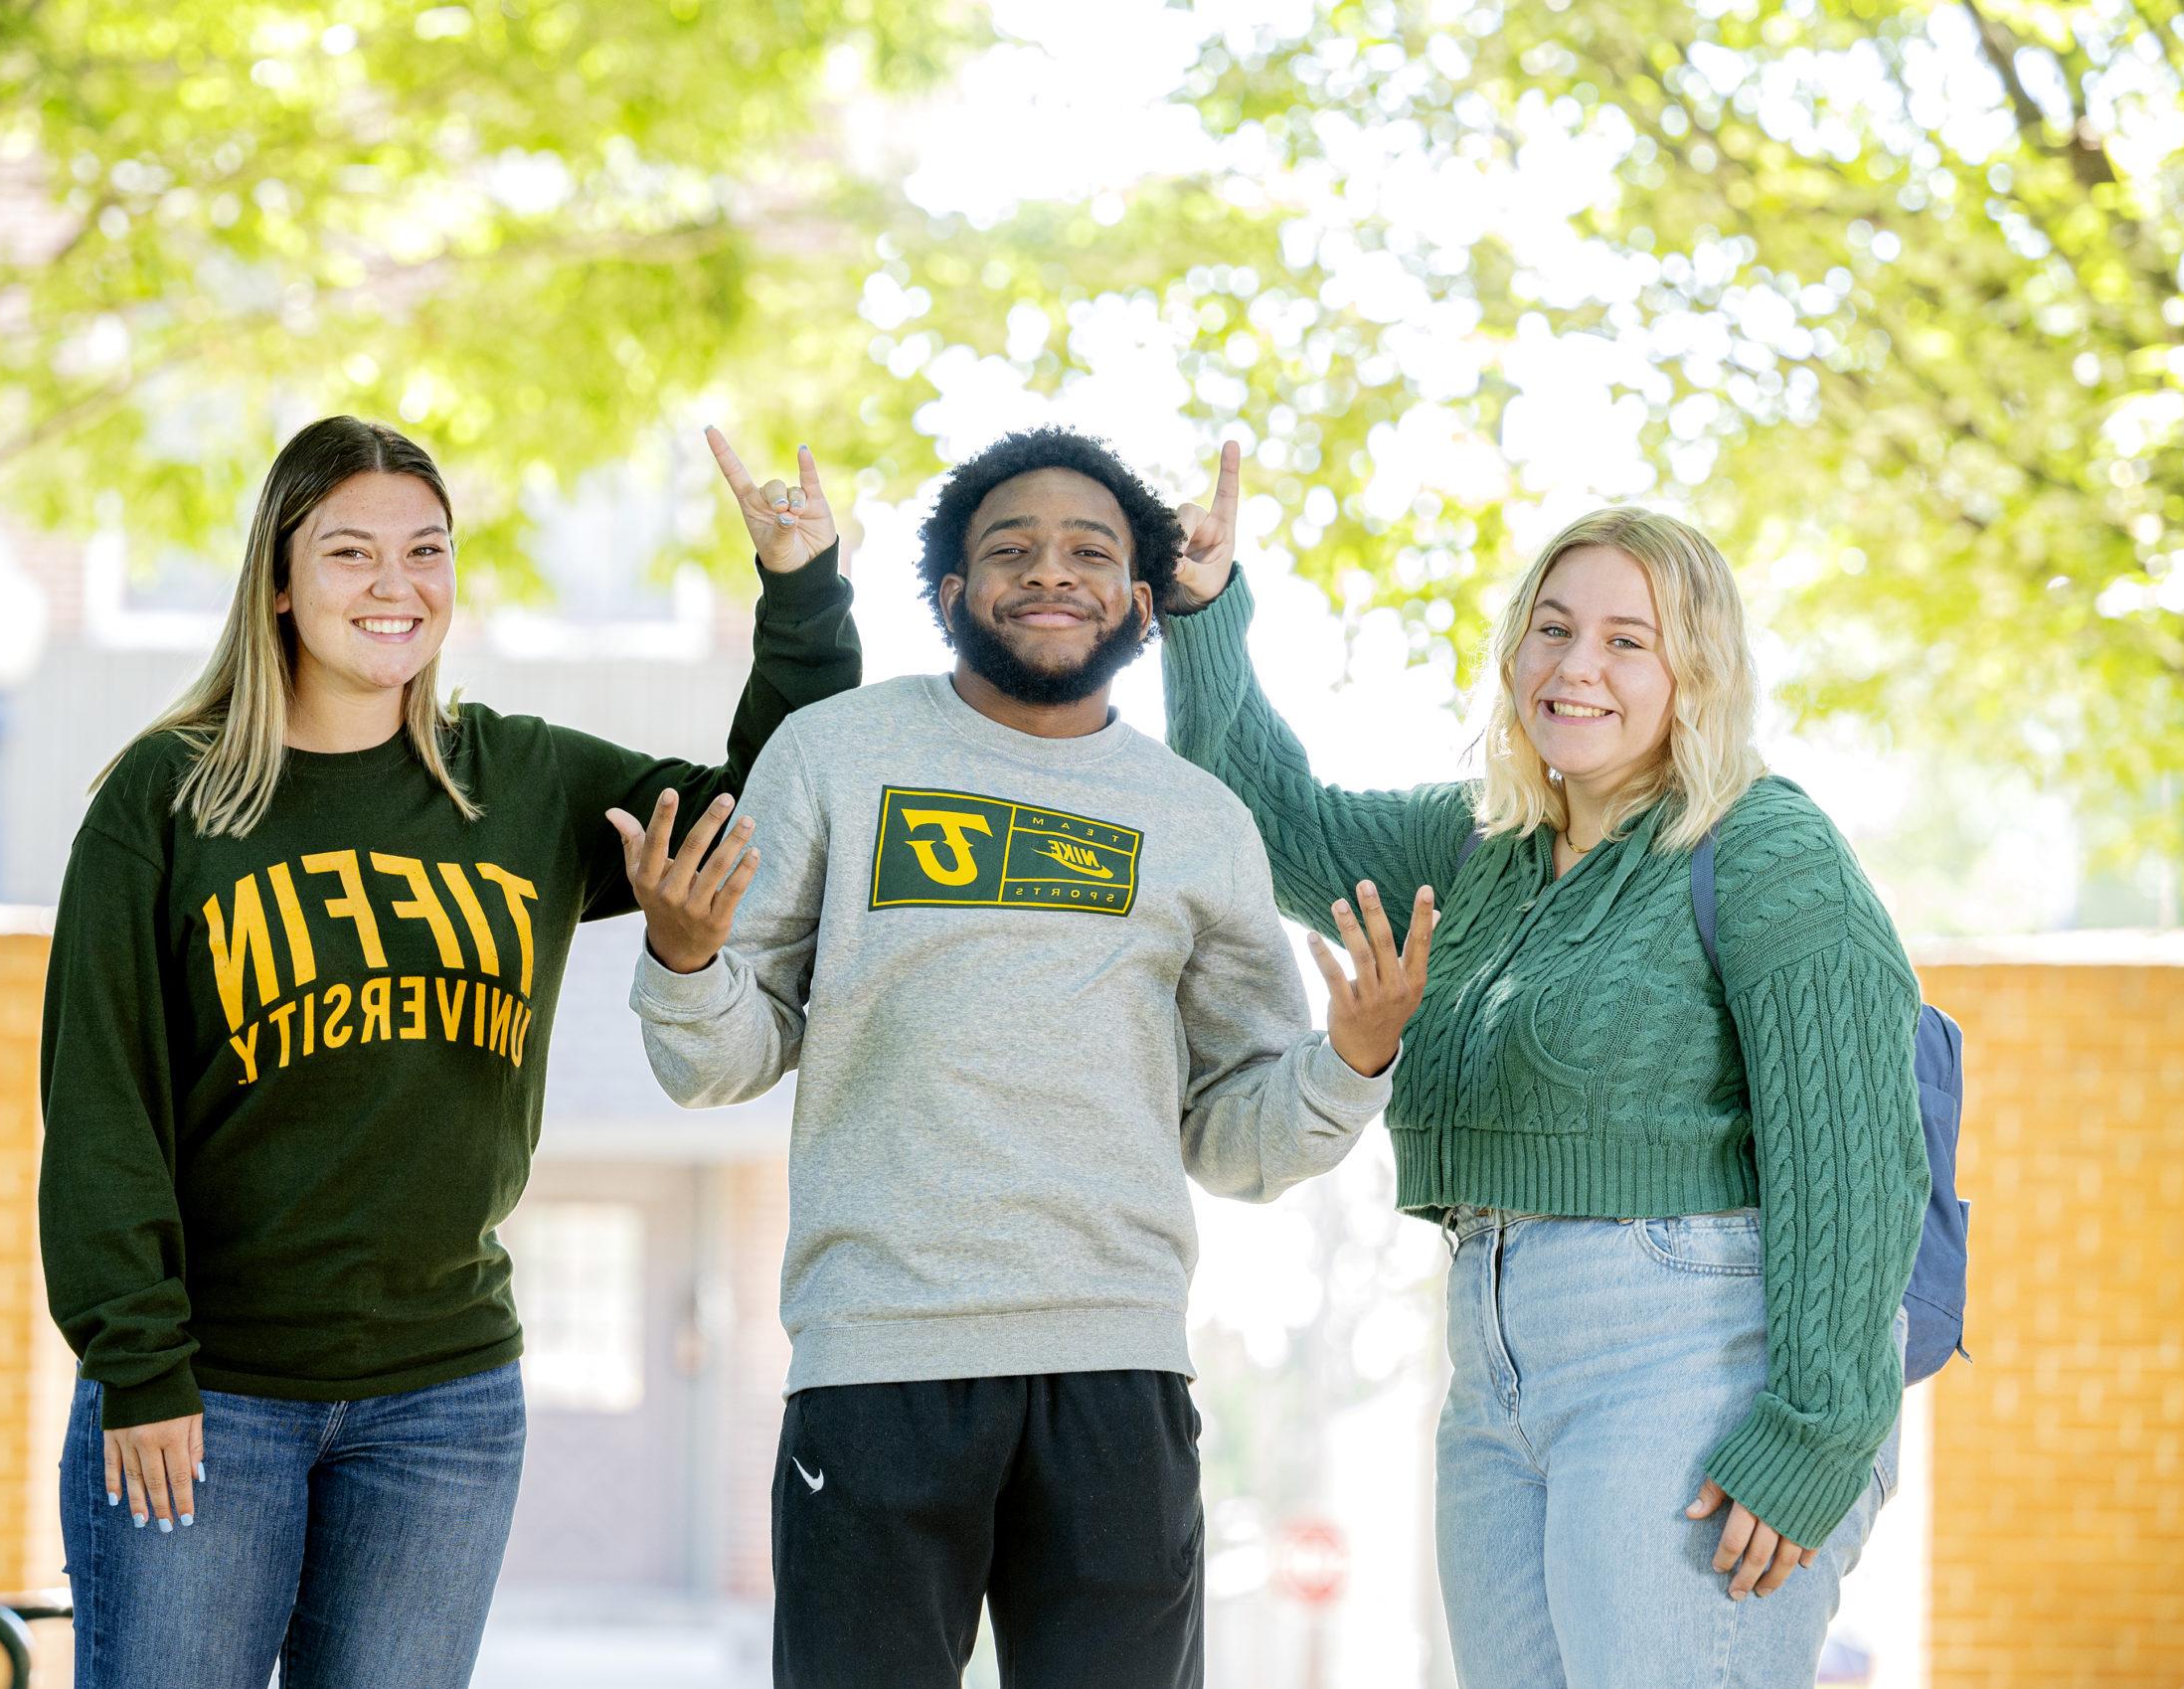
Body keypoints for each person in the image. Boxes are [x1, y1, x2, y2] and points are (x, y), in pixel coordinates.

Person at [37, 416, 861, 1689]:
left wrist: (803, 593)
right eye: (351, 551)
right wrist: (138, 1366)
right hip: (209, 1395)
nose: (395, 585)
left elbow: (763, 812)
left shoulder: (521, 784)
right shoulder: (169, 795)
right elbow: (99, 1101)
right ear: (279, 578)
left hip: (444, 1403)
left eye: (426, 550)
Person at [620, 427, 1431, 1688]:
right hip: (879, 1360)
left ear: (1140, 602)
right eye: (1010, 550)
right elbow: (719, 1060)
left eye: (1088, 552)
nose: (1050, 571)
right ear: (950, 595)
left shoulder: (1198, 820)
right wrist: (682, 957)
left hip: (1116, 1367)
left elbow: (1232, 1134)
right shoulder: (836, 755)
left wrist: (1351, 1060)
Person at [1153, 444, 1929, 1687]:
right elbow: (1267, 812)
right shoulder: (1480, 845)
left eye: (1630, 640)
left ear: (1699, 669)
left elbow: (1855, 1156)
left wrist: (1818, 1432)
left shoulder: (1766, 846)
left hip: (1691, 1351)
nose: (1578, 667)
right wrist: (1200, 612)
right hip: (1491, 1366)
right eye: (1553, 629)